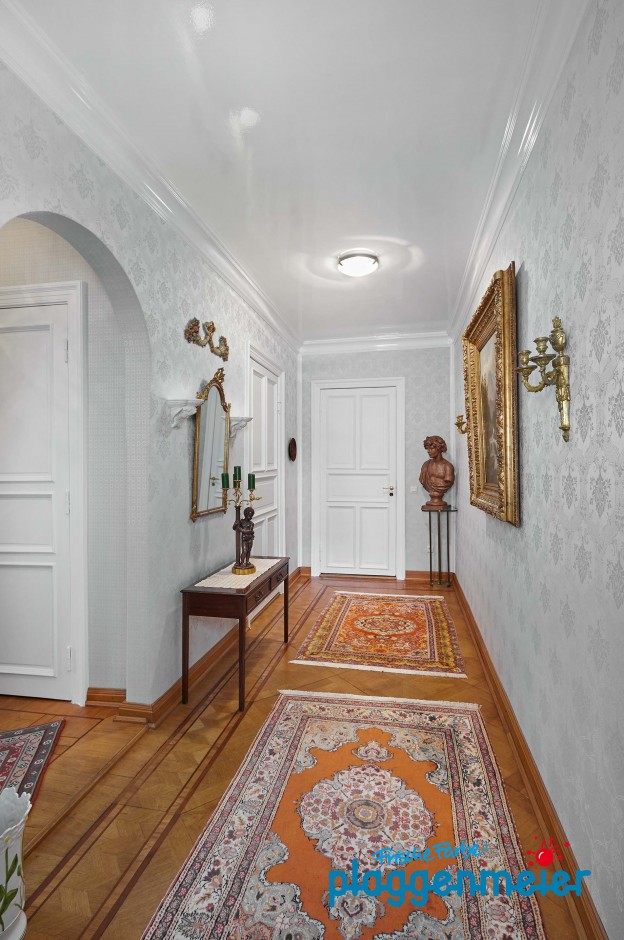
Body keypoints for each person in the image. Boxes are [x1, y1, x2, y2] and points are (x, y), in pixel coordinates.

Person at [419, 436, 455, 509]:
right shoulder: (425, 465)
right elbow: (422, 480)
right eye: (428, 448)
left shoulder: (448, 466)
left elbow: (448, 481)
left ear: (439, 449)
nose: (428, 451)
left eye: (432, 448)